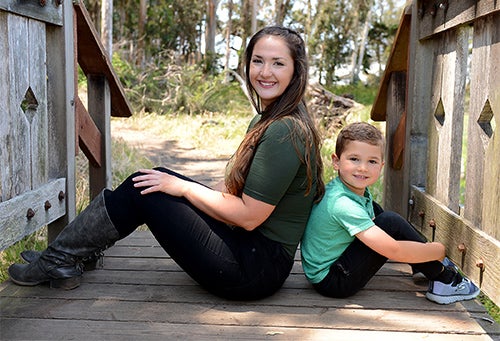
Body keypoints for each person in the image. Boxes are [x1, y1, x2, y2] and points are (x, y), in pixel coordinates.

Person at [8, 26, 325, 301]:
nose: (264, 72)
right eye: (258, 61)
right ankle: (66, 257)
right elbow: (233, 188)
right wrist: (179, 189)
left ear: (296, 72)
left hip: (253, 268)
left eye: (278, 64)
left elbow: (249, 217)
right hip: (251, 252)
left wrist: (184, 189)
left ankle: (61, 257)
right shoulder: (270, 119)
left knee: (144, 189)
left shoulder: (285, 131)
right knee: (154, 180)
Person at [300, 122, 480, 305]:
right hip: (333, 281)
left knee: (378, 212)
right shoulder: (342, 203)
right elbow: (393, 249)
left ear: (381, 165)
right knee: (389, 221)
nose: (363, 168)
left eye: (372, 161)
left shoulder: (348, 190)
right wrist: (437, 251)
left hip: (330, 267)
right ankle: (445, 279)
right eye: (354, 159)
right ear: (336, 161)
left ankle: (422, 264)